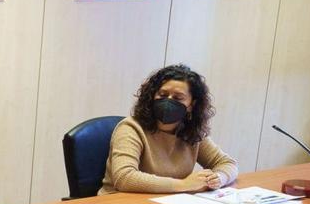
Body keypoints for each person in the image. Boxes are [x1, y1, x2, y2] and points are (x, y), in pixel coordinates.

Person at [100, 65, 239, 194]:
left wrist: (219, 178)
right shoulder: (131, 128)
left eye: (178, 98)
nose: (168, 101)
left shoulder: (191, 131)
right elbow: (124, 178)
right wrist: (184, 185)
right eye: (162, 95)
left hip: (166, 203)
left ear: (191, 104)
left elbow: (227, 163)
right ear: (152, 95)